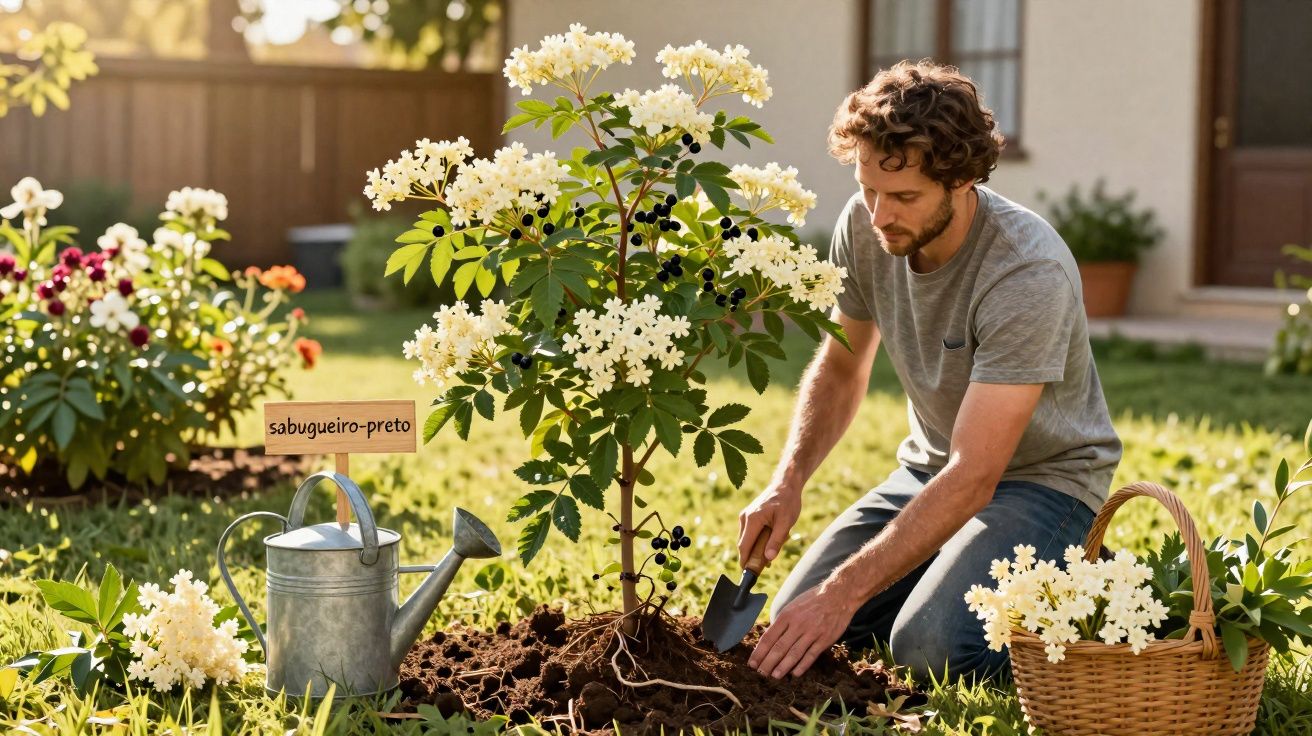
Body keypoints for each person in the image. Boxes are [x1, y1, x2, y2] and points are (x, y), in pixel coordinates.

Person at [737, 60, 1122, 686]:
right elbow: (839, 367)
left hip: (1043, 485)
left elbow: (977, 474)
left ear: (964, 178)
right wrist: (788, 481)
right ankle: (952, 561)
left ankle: (1094, 588)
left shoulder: (1026, 272)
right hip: (929, 471)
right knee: (796, 623)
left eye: (905, 197)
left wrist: (843, 591)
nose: (879, 215)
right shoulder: (866, 229)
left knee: (930, 648)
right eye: (868, 190)